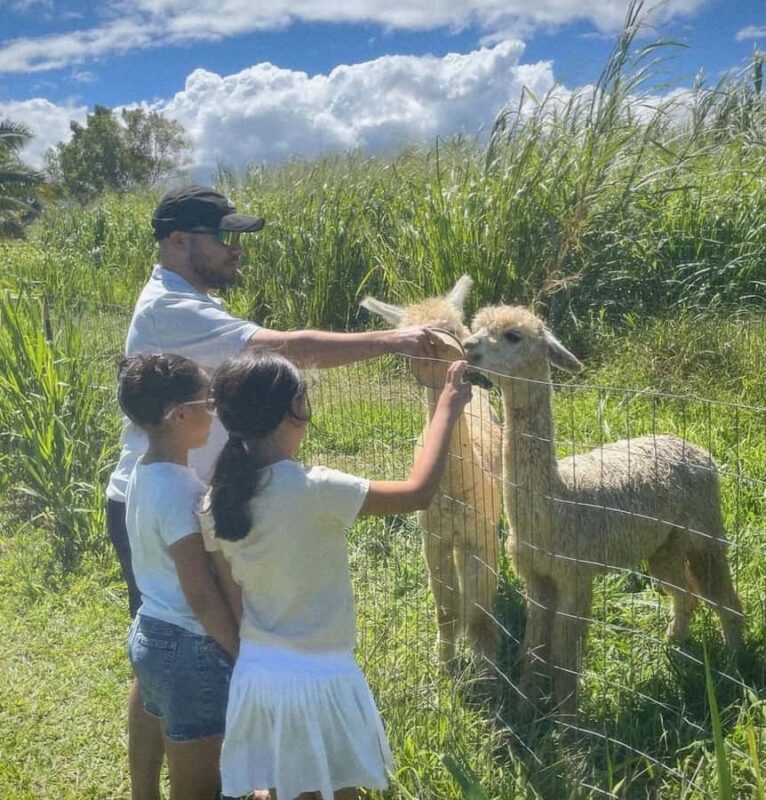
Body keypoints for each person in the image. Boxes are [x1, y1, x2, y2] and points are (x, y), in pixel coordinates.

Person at [104, 184, 439, 799]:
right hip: (169, 505)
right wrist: (393, 340)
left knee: (163, 654)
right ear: (178, 240)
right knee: (186, 646)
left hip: (168, 497)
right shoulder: (172, 308)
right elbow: (288, 348)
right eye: (222, 237)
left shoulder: (188, 301)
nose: (235, 250)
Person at [199, 350, 473, 800]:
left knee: (280, 788)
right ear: (295, 411)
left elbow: (234, 596)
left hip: (258, 673)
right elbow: (418, 493)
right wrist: (446, 405)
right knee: (337, 791)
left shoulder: (215, 501)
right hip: (320, 676)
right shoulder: (315, 488)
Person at [118, 353, 239, 800]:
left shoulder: (143, 469)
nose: (214, 411)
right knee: (198, 787)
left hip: (150, 632)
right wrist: (240, 651)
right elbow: (200, 593)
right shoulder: (181, 490)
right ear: (179, 414)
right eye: (208, 401)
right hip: (190, 649)